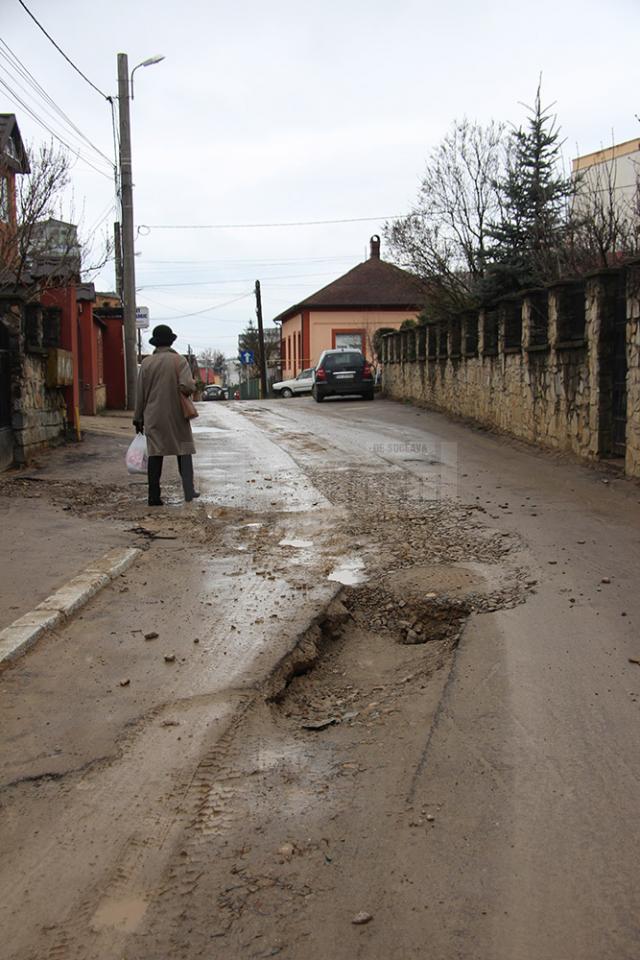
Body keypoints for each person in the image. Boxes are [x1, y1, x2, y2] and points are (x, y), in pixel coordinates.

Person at [133, 324, 199, 506]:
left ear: (155, 343)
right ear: (170, 341)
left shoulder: (146, 364)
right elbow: (187, 386)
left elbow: (140, 393)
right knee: (184, 450)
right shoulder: (180, 361)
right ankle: (188, 490)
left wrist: (138, 417)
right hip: (178, 415)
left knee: (155, 454)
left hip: (153, 416)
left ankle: (154, 496)